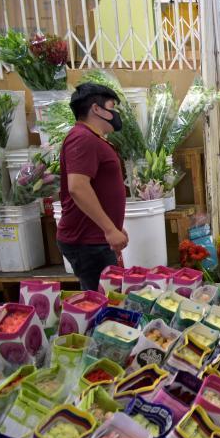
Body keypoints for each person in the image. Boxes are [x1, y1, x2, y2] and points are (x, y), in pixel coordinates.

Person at [56, 83, 128, 291]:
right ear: (96, 109)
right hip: (88, 242)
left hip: (94, 239)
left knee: (108, 299)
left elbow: (97, 187)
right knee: (103, 306)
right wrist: (109, 229)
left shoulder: (91, 138)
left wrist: (114, 225)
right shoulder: (82, 138)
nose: (115, 113)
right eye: (112, 106)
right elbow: (77, 187)